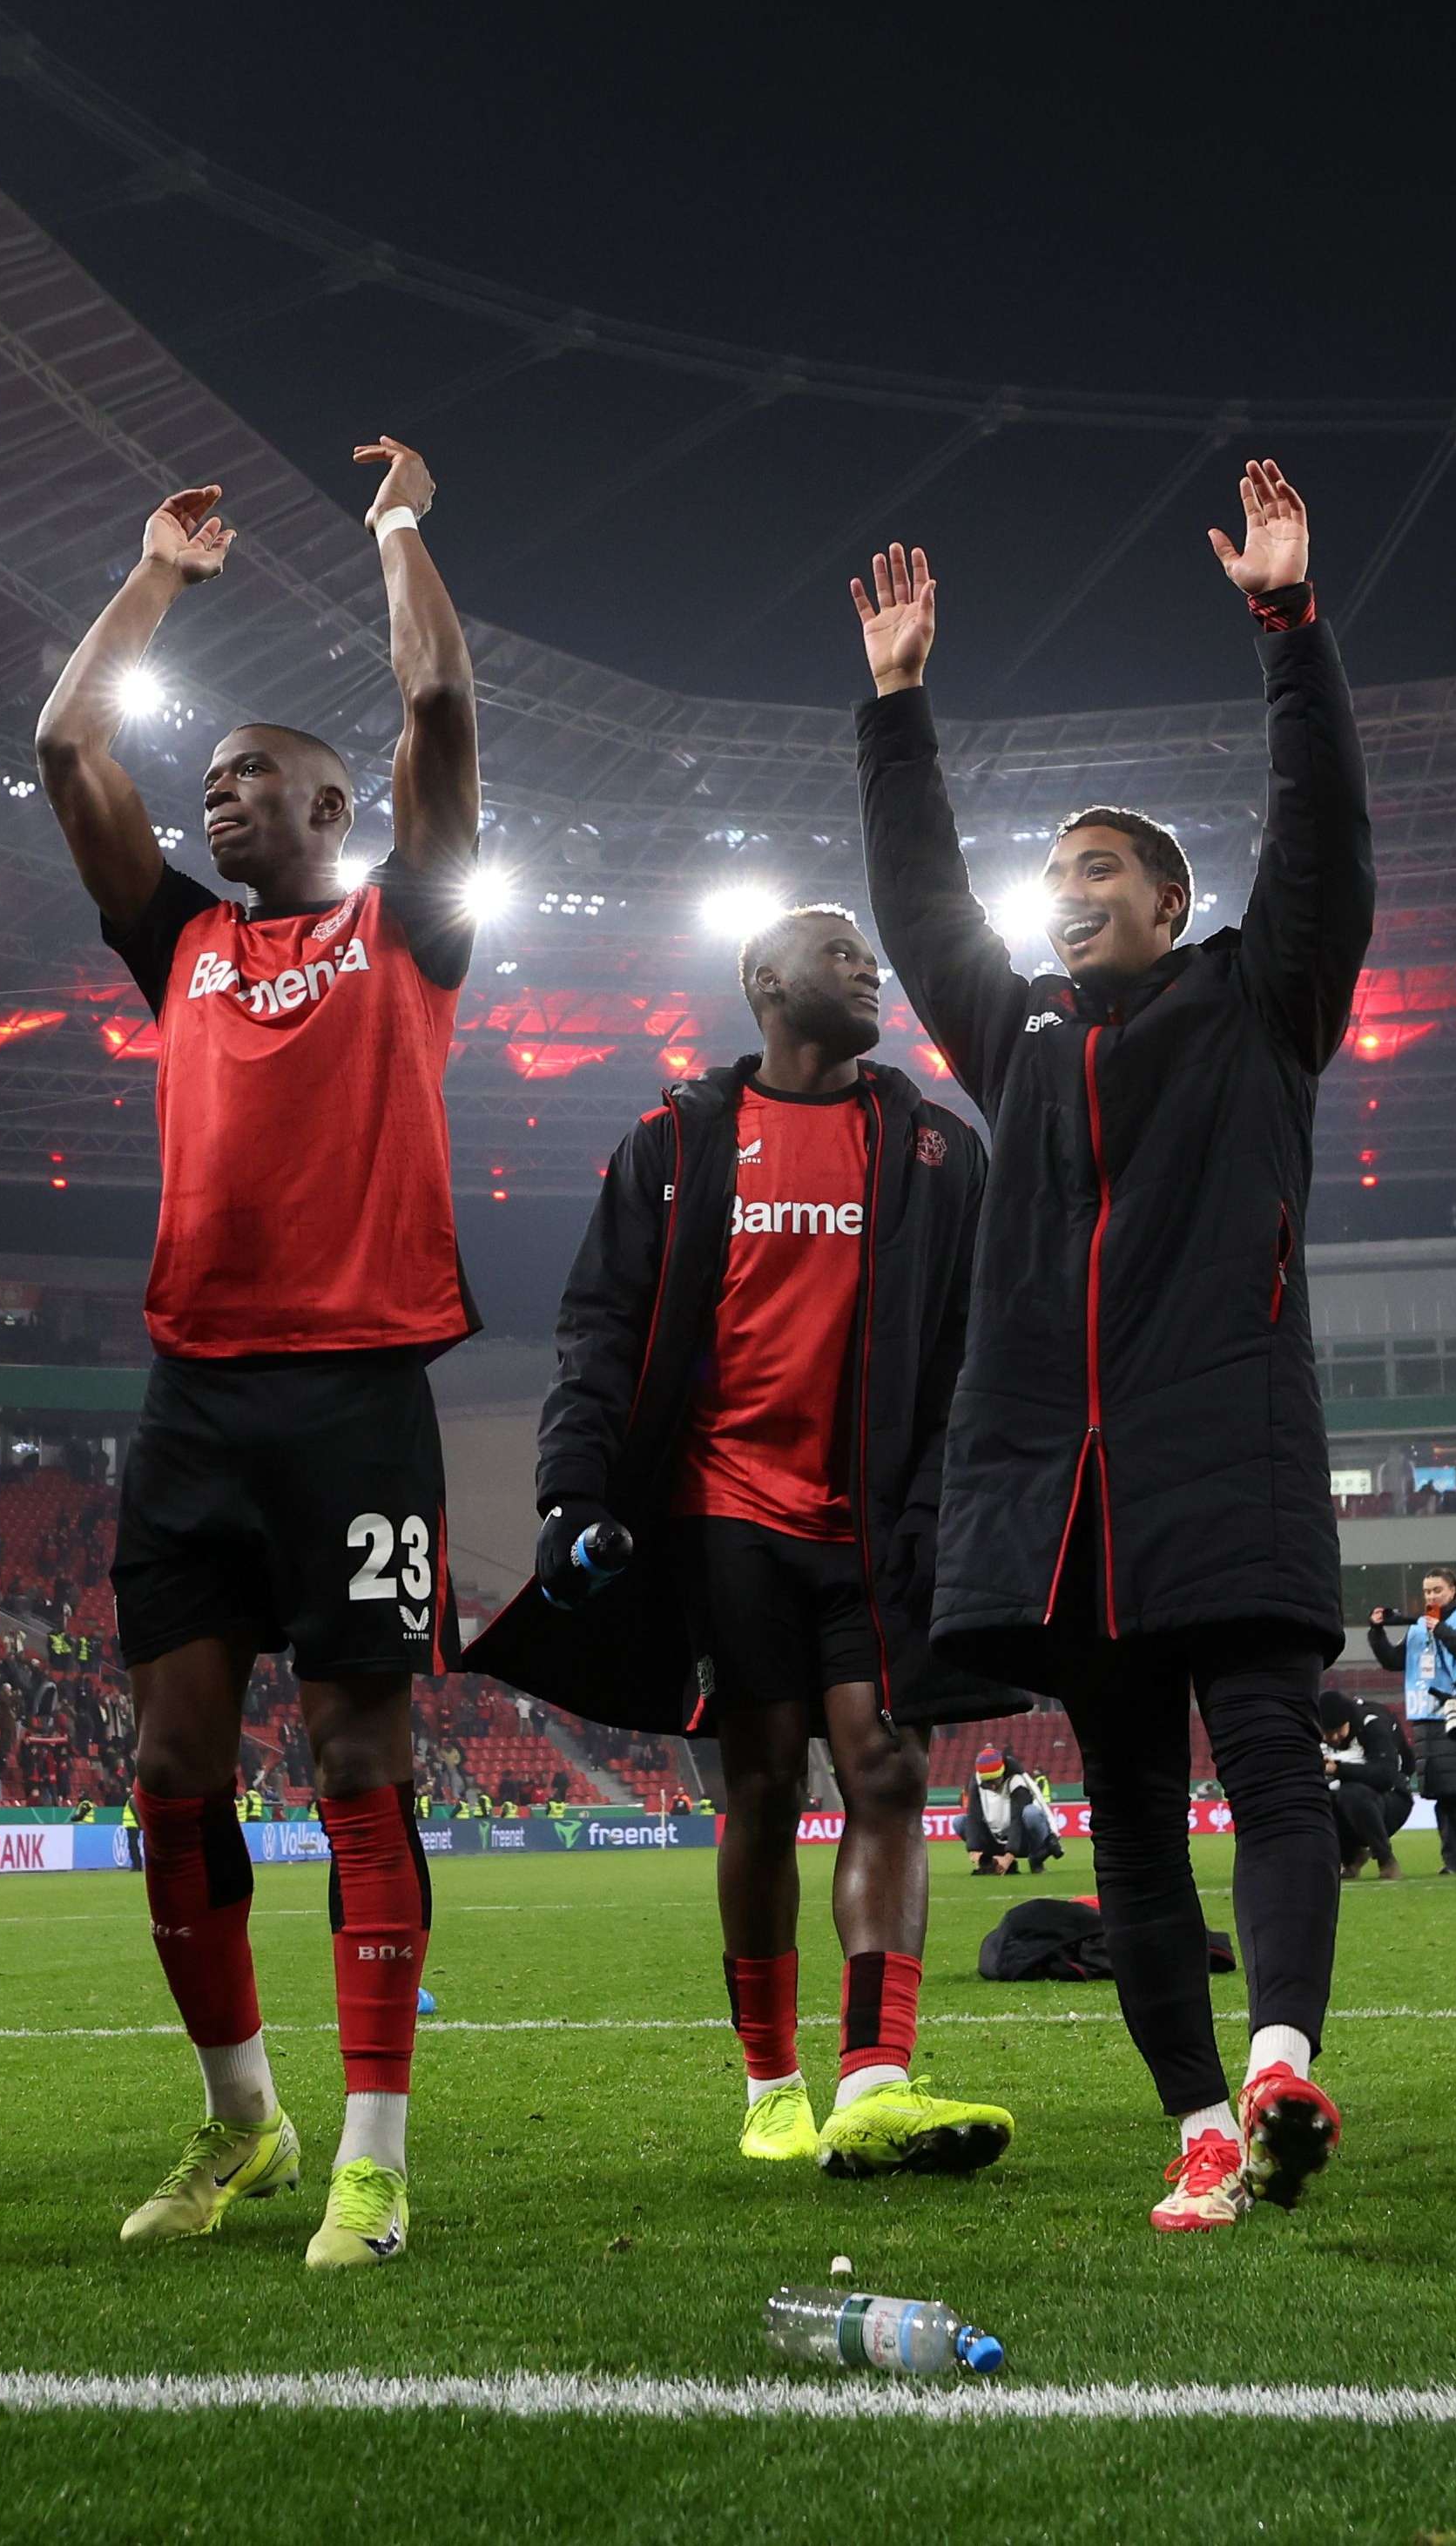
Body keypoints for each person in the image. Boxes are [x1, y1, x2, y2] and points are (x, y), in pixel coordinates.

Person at [848, 461, 1372, 2232]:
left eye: (1099, 870)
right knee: (1134, 1820)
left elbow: (1324, 844)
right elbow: (922, 911)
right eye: (1054, 871)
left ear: (1169, 899)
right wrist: (898, 710)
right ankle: (1204, 2121)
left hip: (1221, 1448)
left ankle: (1287, 2056)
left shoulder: (1264, 1000)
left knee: (1277, 1767)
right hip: (1058, 1493)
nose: (1065, 890)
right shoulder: (1015, 1039)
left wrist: (1288, 631)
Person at [31, 441, 478, 2269]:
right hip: (194, 1398)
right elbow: (71, 749)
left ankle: (376, 2148)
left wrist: (392, 532)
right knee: (169, 1764)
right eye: (206, 784)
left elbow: (438, 703)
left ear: (331, 811)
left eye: (252, 785)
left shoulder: (408, 924)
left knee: (360, 1758)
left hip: (361, 1387)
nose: (217, 804)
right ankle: (246, 2124)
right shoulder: (184, 949)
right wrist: (154, 581)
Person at [463, 902, 1021, 2178]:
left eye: (872, 957)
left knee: (885, 1769)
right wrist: (570, 1491)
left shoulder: (939, 1147)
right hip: (724, 1513)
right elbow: (599, 1326)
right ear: (762, 981)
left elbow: (984, 1338)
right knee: (764, 1786)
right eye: (839, 954)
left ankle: (875, 2076)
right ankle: (773, 2079)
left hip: (883, 1520)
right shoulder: (675, 1141)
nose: (868, 970)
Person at [1365, 1573, 1456, 1874]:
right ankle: (1452, 1861)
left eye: (1437, 1590)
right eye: (1426, 1591)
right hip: (1426, 1714)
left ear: (1453, 1590)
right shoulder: (1419, 1625)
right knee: (1442, 1792)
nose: (1431, 1596)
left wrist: (1445, 1632)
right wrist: (1376, 1632)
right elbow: (1394, 1661)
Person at [1327, 1691, 1411, 1881]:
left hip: (1393, 1799)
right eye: (1327, 1733)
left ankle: (1385, 1859)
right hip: (1354, 1802)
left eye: (1337, 1730)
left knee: (1352, 1794)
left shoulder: (1373, 1724)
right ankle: (1349, 1857)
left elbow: (1386, 1776)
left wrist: (1338, 1770)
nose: (1333, 1738)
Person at [966, 1747, 1063, 1877]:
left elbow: (1016, 1821)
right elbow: (974, 1816)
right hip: (997, 1836)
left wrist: (1009, 1856)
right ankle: (994, 1862)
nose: (993, 1786)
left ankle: (1037, 1858)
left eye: (995, 1780)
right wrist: (973, 1849)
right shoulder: (976, 1781)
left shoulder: (1018, 1781)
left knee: (1031, 1813)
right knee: (960, 1822)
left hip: (1023, 1838)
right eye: (988, 1782)